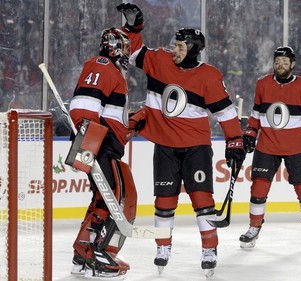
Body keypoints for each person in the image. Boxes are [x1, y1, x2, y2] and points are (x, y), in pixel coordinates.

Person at [116, 2, 246, 276]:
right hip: (164, 147)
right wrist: (133, 27)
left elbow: (225, 112)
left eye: (180, 46)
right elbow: (134, 50)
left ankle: (209, 249)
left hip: (196, 148)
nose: (174, 50)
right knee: (164, 202)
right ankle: (163, 247)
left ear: (194, 49)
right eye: (174, 45)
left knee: (203, 201)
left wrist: (235, 141)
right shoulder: (160, 60)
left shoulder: (209, 76)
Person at [67, 27, 146, 278]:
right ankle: (99, 255)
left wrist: (131, 123)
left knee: (105, 199)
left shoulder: (113, 72)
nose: (128, 53)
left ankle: (83, 253)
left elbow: (109, 115)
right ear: (116, 47)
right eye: (126, 47)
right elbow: (83, 107)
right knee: (115, 199)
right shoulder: (102, 65)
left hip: (102, 143)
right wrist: (89, 143)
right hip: (98, 143)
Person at [239, 46, 301, 250]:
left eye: (285, 62)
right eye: (277, 61)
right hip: (267, 145)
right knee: (258, 189)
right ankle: (254, 227)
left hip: (297, 147)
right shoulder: (262, 84)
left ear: (292, 64)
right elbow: (256, 114)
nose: (280, 65)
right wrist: (251, 132)